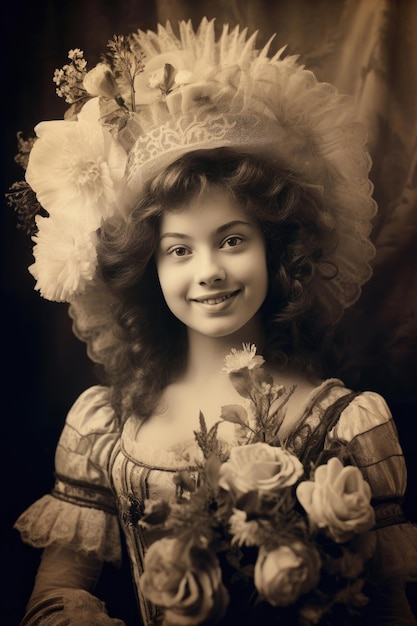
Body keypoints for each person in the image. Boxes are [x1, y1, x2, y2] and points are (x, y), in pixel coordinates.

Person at [10, 17, 417, 626]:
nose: (208, 271)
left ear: (277, 250)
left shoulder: (344, 425)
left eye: (231, 240)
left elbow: (388, 611)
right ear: (149, 268)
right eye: (179, 249)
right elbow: (56, 592)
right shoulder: (106, 423)